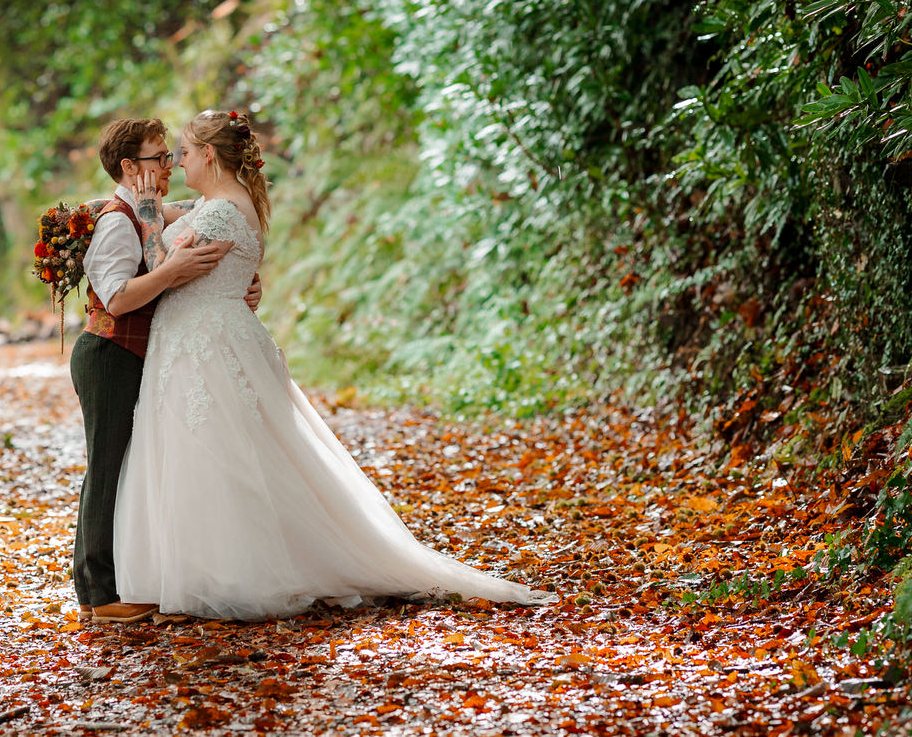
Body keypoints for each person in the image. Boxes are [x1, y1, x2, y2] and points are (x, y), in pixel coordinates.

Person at [113, 109, 558, 620]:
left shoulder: (218, 214)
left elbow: (156, 262)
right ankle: (201, 568)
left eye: (184, 153)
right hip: (199, 337)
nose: (177, 162)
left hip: (205, 344)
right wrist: (117, 207)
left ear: (208, 155)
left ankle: (235, 572)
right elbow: (171, 218)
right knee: (217, 452)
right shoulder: (216, 204)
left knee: (220, 454)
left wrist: (147, 213)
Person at [69, 117, 261, 624]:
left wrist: (238, 281)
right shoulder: (118, 219)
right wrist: (172, 272)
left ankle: (134, 578)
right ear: (132, 167)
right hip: (109, 353)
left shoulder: (149, 208)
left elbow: (211, 221)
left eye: (173, 155)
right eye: (159, 158)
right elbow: (116, 296)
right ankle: (98, 594)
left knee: (130, 464)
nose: (169, 166)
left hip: (144, 352)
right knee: (106, 467)